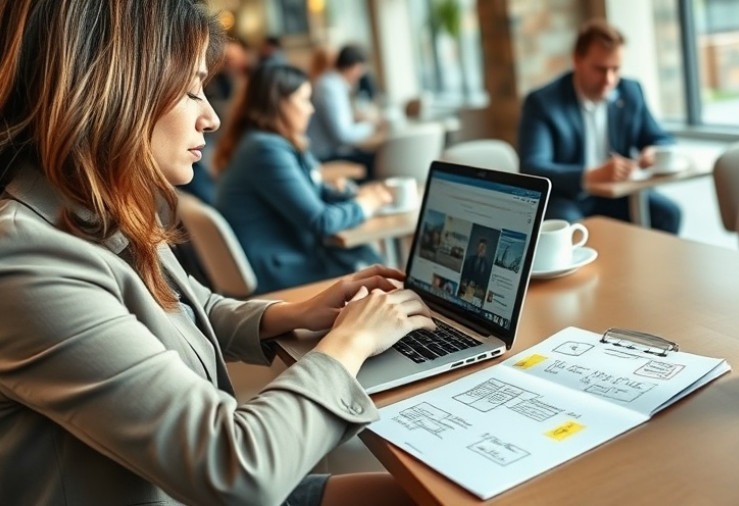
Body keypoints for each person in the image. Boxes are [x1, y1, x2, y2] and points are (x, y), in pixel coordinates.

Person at [0, 1, 433, 505]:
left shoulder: (96, 210)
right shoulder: (26, 261)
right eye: (191, 90)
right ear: (110, 90)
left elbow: (189, 307)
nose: (211, 117)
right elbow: (237, 470)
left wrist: (296, 313)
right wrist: (351, 341)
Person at [214, 63, 393, 293]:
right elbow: (320, 221)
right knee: (373, 267)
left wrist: (352, 194)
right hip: (280, 270)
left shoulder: (264, 141)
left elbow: (312, 191)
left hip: (284, 257)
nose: (311, 109)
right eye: (304, 100)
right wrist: (365, 204)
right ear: (280, 103)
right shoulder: (265, 149)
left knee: (367, 256)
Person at [518, 18, 681, 234]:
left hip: (618, 194)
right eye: (600, 69)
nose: (609, 79)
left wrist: (653, 151)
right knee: (571, 230)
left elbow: (661, 138)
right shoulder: (543, 102)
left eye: (616, 69)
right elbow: (533, 167)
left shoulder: (630, 91)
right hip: (568, 197)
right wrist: (590, 175)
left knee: (669, 213)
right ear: (577, 60)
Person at [307, 44, 382, 180]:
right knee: (379, 161)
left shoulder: (332, 84)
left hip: (331, 151)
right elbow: (343, 135)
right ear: (355, 67)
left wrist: (357, 118)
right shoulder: (330, 88)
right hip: (325, 156)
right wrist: (372, 126)